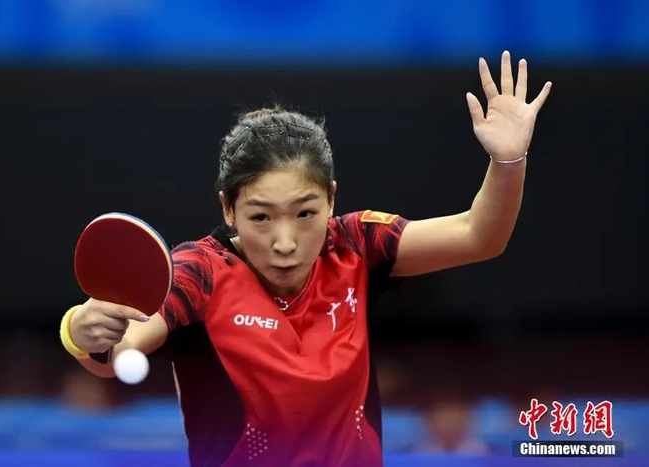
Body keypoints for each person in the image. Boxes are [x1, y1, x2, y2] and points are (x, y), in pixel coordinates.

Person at [60, 51, 551, 466]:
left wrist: (508, 161)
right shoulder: (201, 272)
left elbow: (479, 236)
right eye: (261, 217)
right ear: (228, 209)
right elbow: (124, 345)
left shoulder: (356, 244)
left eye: (305, 214)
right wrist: (85, 334)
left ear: (331, 199)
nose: (285, 242)